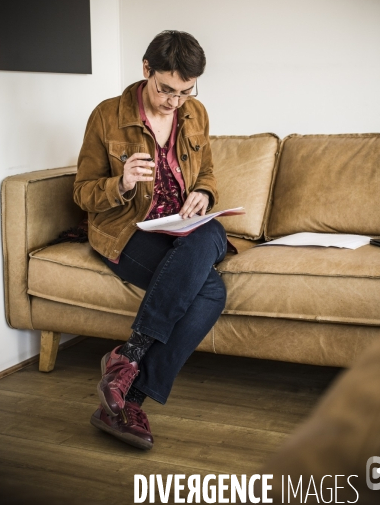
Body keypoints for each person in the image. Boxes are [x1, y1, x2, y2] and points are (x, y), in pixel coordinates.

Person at [73, 30, 227, 450]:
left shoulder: (196, 114)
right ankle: (130, 397)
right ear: (146, 70)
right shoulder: (107, 116)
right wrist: (121, 185)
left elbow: (208, 173)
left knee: (212, 231)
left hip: (182, 228)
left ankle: (124, 373)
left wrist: (205, 194)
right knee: (211, 291)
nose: (174, 102)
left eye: (184, 92)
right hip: (127, 231)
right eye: (166, 90)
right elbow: (82, 192)